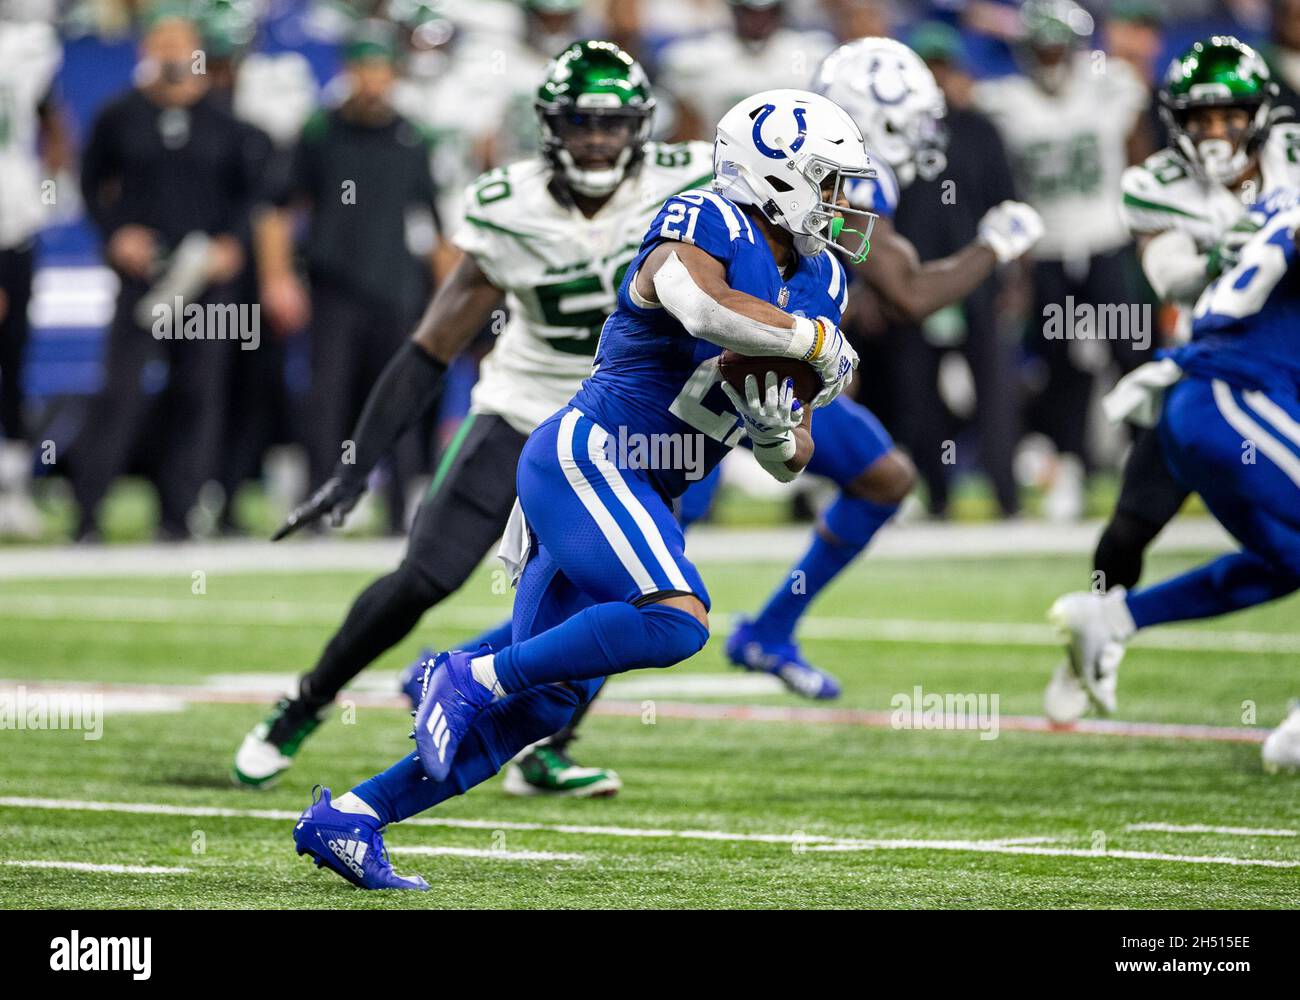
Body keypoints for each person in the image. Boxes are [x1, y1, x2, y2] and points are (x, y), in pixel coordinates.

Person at [289, 86, 868, 890]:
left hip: (642, 488)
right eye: (829, 181)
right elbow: (701, 306)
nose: (843, 203)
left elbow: (791, 451)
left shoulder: (823, 284)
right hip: (588, 457)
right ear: (775, 175)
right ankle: (464, 673)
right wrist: (808, 340)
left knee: (543, 709)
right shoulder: (705, 221)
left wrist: (775, 436)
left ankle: (350, 817)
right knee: (674, 622)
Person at [500, 38, 1044, 795]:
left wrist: (804, 368)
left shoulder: (812, 175)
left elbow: (854, 294)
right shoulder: (814, 174)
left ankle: (758, 634)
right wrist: (995, 247)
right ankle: (501, 686)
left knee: (870, 481)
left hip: (734, 367)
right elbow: (908, 292)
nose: (918, 139)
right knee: (648, 572)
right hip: (692, 363)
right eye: (911, 119)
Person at [233, 41, 713, 792]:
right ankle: (306, 701)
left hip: (627, 426)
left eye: (613, 124)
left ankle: (541, 745)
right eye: (582, 121)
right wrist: (358, 466)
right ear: (551, 126)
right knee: (425, 576)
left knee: (627, 594)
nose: (597, 138)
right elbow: (432, 347)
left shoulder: (684, 188)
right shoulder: (507, 206)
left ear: (640, 129)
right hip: (522, 410)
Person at [1045, 36, 1300, 722]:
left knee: (1288, 557)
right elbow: (1171, 279)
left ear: (1260, 115)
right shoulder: (1155, 183)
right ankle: (1093, 628)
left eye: (1227, 116)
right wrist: (1234, 246)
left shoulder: (1292, 160)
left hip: (1266, 379)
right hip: (1210, 370)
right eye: (1200, 118)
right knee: (1131, 527)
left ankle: (1115, 623)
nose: (1214, 132)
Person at [73, 13, 262, 541]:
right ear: (146, 50)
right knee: (121, 394)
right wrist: (116, 234)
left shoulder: (227, 123)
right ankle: (87, 515)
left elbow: (250, 197)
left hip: (207, 282)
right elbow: (90, 185)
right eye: (164, 43)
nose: (174, 54)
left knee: (197, 394)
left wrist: (231, 244)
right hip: (144, 282)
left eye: (183, 44)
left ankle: (179, 518)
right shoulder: (119, 116)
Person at [258, 19, 444, 536]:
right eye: (360, 66)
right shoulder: (319, 131)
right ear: (346, 71)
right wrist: (278, 277)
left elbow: (436, 218)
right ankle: (320, 507)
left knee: (397, 402)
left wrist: (447, 295)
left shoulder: (412, 136)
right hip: (333, 284)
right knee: (326, 401)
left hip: (398, 287)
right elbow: (277, 207)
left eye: (378, 67)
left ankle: (400, 514)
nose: (369, 78)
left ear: (393, 73)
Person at [973, 0, 1150, 521]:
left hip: (1107, 242)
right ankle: (1069, 466)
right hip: (1047, 253)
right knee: (1061, 366)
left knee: (1132, 354)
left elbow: (1137, 145)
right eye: (1041, 47)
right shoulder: (1006, 100)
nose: (1050, 58)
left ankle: (1153, 462)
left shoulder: (1111, 84)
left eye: (1058, 46)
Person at [0, 6, 66, 538]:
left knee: (13, 355)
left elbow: (52, 120)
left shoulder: (27, 47)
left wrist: (49, 180)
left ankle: (12, 488)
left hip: (11, 226)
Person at [658, 0, 833, 141]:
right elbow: (684, 126)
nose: (758, 20)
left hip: (793, 156)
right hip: (719, 158)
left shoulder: (808, 53)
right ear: (735, 11)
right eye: (749, 12)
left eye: (767, 13)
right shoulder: (697, 58)